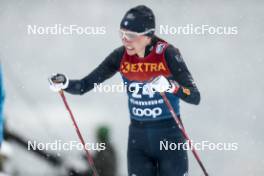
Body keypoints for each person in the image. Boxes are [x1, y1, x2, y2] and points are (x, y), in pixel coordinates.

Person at [49, 5, 200, 176]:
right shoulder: (120, 56)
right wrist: (65, 83)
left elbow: (194, 96)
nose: (125, 40)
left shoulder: (168, 54)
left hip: (169, 137)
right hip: (139, 139)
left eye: (131, 35)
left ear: (148, 35)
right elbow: (84, 85)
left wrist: (171, 87)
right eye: (122, 33)